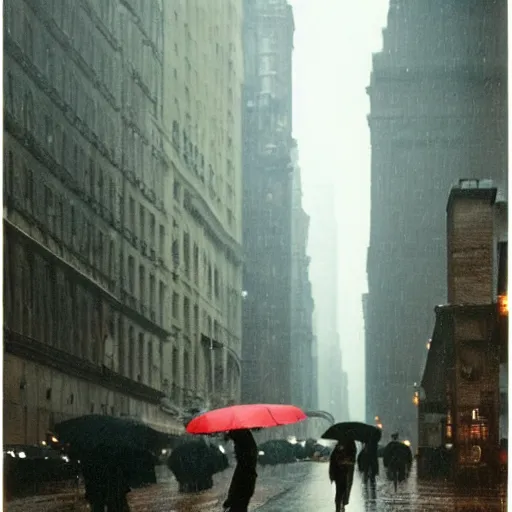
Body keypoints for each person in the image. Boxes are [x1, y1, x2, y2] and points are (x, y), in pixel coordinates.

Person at [223, 429, 258, 512]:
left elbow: (237, 481)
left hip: (241, 493)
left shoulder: (243, 463)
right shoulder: (249, 451)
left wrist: (230, 499)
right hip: (246, 489)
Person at [329, 439, 357, 512]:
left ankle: (342, 505)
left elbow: (353, 458)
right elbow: (333, 461)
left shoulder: (351, 445)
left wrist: (346, 461)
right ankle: (338, 507)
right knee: (339, 491)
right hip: (339, 473)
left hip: (346, 473)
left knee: (345, 490)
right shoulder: (337, 449)